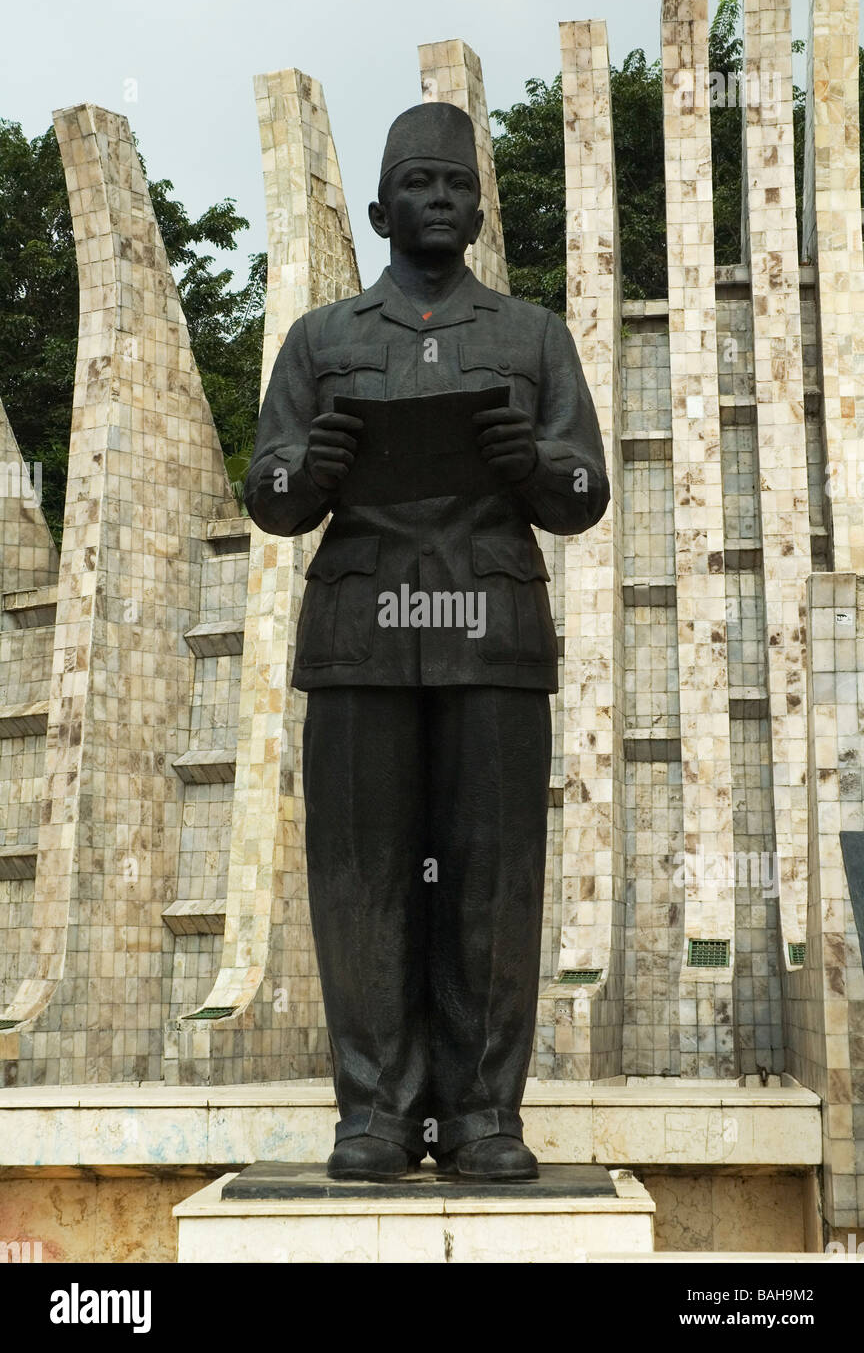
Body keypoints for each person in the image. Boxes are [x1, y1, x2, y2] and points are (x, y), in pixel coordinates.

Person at [244, 102, 609, 1181]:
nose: (439, 199)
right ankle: (377, 1116)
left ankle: (485, 1113)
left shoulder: (534, 335)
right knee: (360, 878)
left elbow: (585, 488)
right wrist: (306, 471)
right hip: (361, 634)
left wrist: (531, 465)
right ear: (379, 207)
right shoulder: (322, 339)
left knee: (493, 880)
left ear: (480, 210)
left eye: (456, 184)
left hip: (492, 634)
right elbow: (265, 487)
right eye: (419, 183)